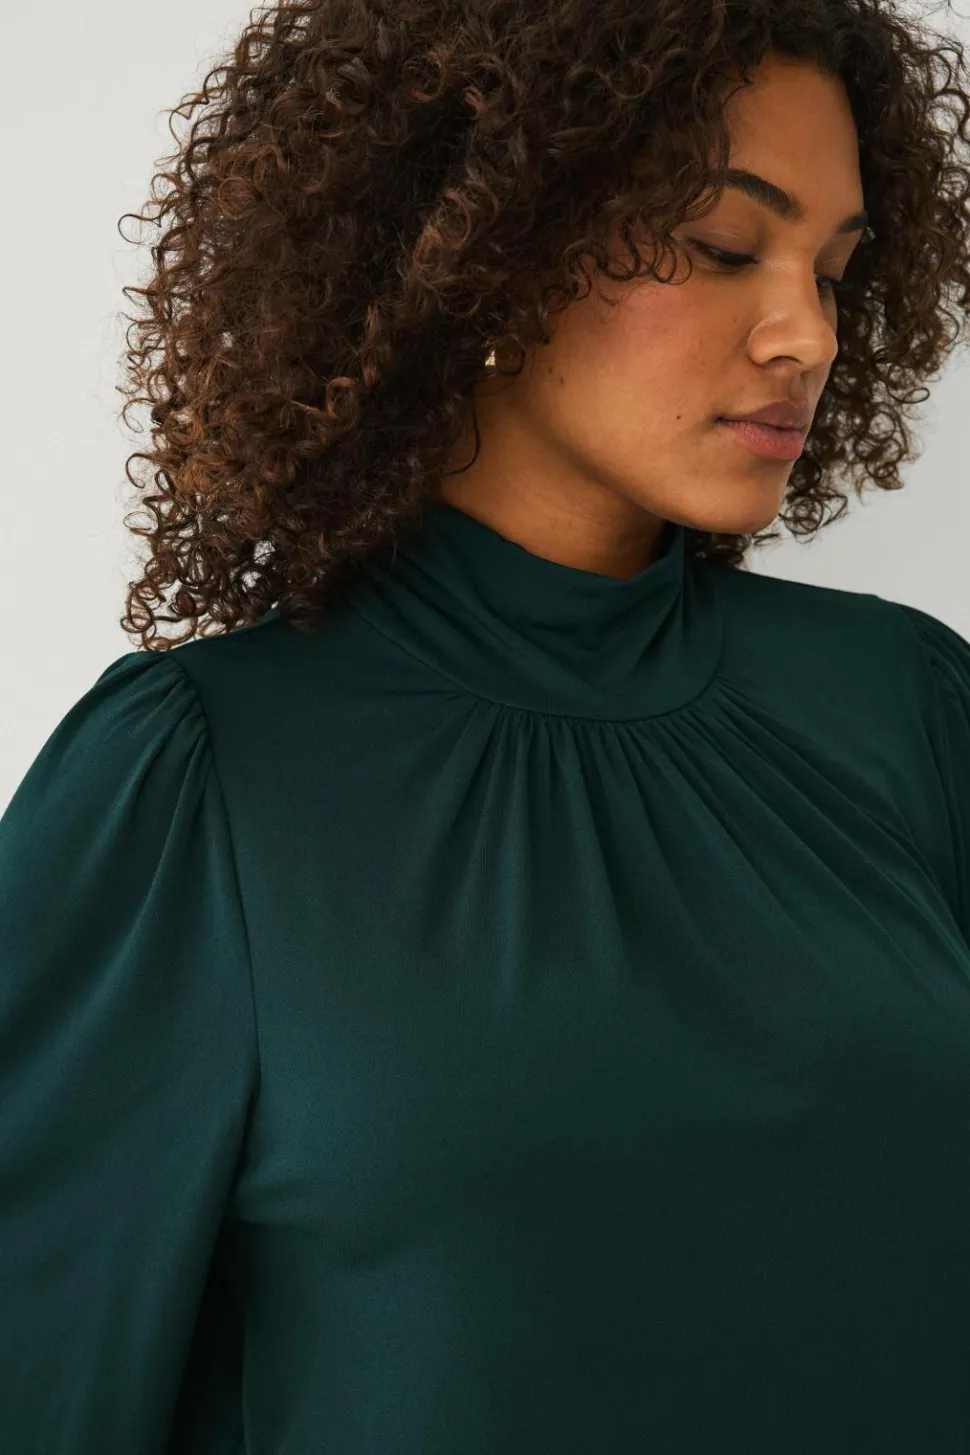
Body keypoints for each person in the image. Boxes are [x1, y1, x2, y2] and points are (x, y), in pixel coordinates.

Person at [2, 3, 970, 1452]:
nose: (807, 334)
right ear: (484, 248)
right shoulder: (200, 777)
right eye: (721, 245)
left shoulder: (905, 705)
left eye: (834, 272)